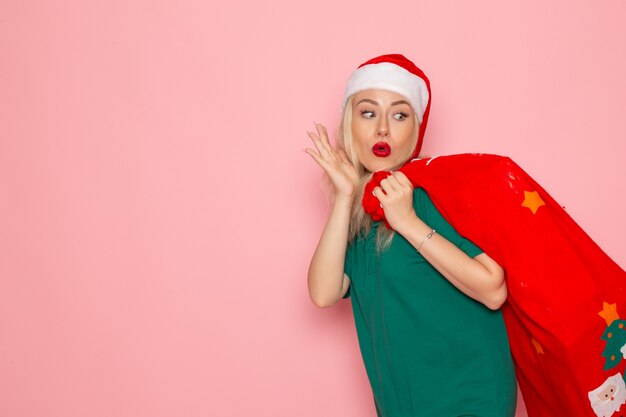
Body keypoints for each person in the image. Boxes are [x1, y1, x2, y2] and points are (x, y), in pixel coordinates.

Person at [305, 54, 517, 417]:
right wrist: (343, 198)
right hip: (405, 404)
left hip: (471, 398)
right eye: (369, 113)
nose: (383, 129)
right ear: (349, 123)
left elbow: (493, 289)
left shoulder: (436, 192)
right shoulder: (361, 211)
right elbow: (324, 294)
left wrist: (407, 222)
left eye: (399, 115)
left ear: (415, 128)